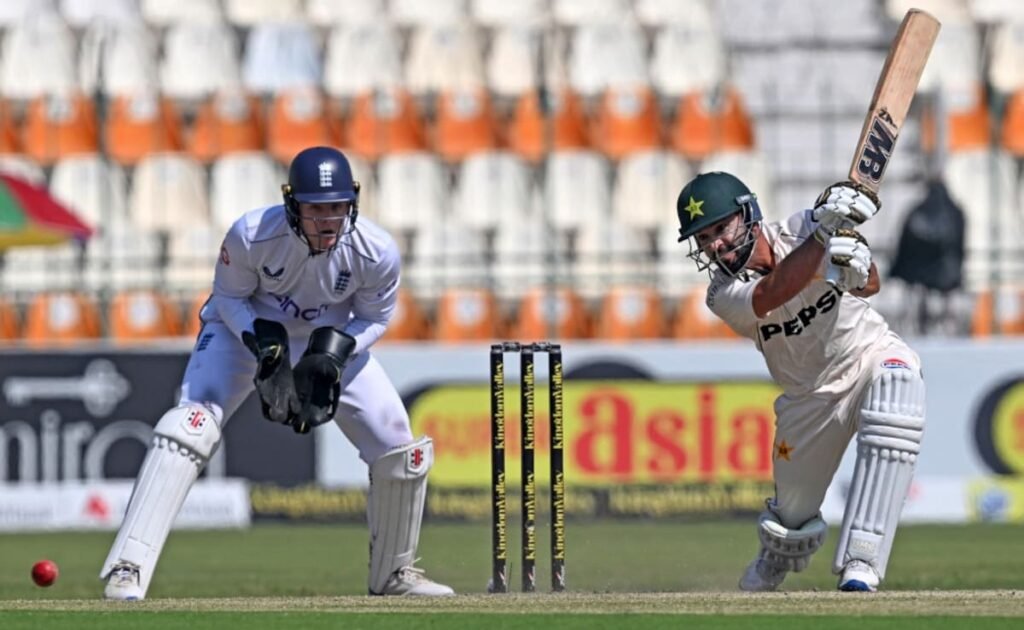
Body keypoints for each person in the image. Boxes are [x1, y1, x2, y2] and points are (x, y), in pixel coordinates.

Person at [100, 146, 454, 599]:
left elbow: (376, 319)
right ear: (292, 204)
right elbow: (226, 299)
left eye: (337, 208)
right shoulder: (251, 235)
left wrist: (336, 352)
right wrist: (260, 339)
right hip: (241, 332)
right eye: (316, 209)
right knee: (190, 426)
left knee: (399, 446)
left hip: (327, 338)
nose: (328, 221)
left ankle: (394, 575)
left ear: (353, 203)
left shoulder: (377, 250)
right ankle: (128, 566)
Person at [674, 172, 925, 592]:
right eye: (703, 238)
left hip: (868, 355)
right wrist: (827, 237)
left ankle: (861, 562)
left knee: (898, 390)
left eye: (720, 228)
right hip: (808, 398)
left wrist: (852, 271)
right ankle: (775, 558)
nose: (714, 244)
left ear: (748, 213)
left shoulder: (805, 227)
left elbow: (873, 283)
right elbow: (772, 292)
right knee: (792, 516)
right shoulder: (721, 294)